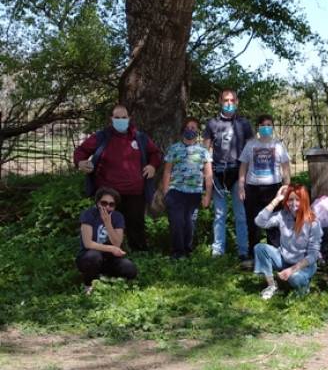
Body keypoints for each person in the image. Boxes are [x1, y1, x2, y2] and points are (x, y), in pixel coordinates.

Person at [74, 104, 162, 251]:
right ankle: (106, 252)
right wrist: (81, 162)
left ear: (129, 118)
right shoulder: (102, 137)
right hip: (108, 192)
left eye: (123, 117)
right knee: (106, 223)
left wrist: (153, 165)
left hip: (135, 191)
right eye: (117, 117)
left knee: (136, 223)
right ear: (111, 119)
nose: (120, 120)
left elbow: (155, 153)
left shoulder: (140, 138)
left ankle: (139, 252)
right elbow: (81, 151)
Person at [203, 89, 253, 266]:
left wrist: (246, 177)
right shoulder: (212, 124)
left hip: (239, 174)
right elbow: (205, 152)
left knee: (241, 215)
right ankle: (218, 251)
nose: (229, 103)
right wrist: (207, 176)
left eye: (232, 100)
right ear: (220, 101)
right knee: (219, 214)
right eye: (226, 100)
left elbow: (251, 150)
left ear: (237, 101)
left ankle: (243, 251)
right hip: (218, 174)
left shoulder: (244, 124)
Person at [239, 114, 291, 267]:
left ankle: (273, 256)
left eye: (269, 124)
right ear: (259, 127)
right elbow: (243, 166)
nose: (266, 127)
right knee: (253, 223)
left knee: (274, 225)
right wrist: (241, 186)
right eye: (263, 125)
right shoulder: (250, 145)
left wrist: (287, 188)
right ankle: (253, 256)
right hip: (252, 189)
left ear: (272, 127)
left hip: (274, 189)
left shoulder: (278, 146)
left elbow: (286, 168)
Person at [253, 184, 322, 299]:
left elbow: (313, 255)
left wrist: (292, 270)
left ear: (304, 200)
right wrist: (276, 200)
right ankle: (271, 286)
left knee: (294, 278)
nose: (293, 203)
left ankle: (304, 286)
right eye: (290, 199)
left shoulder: (313, 222)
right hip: (284, 259)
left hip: (304, 265)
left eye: (297, 200)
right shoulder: (282, 215)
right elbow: (259, 221)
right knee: (260, 248)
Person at [161, 117, 213, 259]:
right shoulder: (174, 149)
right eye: (188, 127)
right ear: (183, 129)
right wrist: (166, 192)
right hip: (176, 191)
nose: (191, 130)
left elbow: (208, 175)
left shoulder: (203, 151)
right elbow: (167, 171)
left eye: (194, 128)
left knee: (189, 222)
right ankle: (177, 252)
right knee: (176, 221)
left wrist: (207, 195)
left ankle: (187, 250)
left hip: (194, 193)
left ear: (197, 131)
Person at [76, 187, 138, 295]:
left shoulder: (118, 217)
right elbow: (88, 243)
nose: (107, 207)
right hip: (89, 256)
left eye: (111, 204)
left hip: (110, 258)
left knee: (130, 269)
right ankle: (88, 285)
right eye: (104, 203)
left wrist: (108, 223)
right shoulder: (89, 214)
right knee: (94, 257)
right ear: (97, 202)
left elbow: (117, 243)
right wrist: (111, 248)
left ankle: (104, 277)